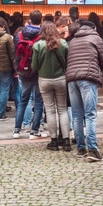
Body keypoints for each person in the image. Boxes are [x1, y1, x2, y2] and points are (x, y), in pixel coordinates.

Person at [66, 18, 103, 161]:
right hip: (87, 78)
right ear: (93, 28)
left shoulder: (73, 40)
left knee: (77, 115)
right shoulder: (96, 38)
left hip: (72, 79)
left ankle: (80, 148)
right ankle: (93, 150)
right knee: (90, 114)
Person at [32, 21, 70, 151]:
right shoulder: (63, 43)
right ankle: (66, 141)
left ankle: (53, 141)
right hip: (60, 78)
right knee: (63, 109)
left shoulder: (37, 45)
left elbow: (34, 66)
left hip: (44, 79)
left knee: (50, 110)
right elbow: (67, 63)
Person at [13, 10, 45, 139]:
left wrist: (16, 69)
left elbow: (15, 54)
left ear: (29, 20)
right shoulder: (43, 35)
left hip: (23, 71)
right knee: (38, 101)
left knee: (23, 101)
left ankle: (16, 130)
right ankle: (34, 131)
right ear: (41, 20)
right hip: (38, 71)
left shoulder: (19, 35)